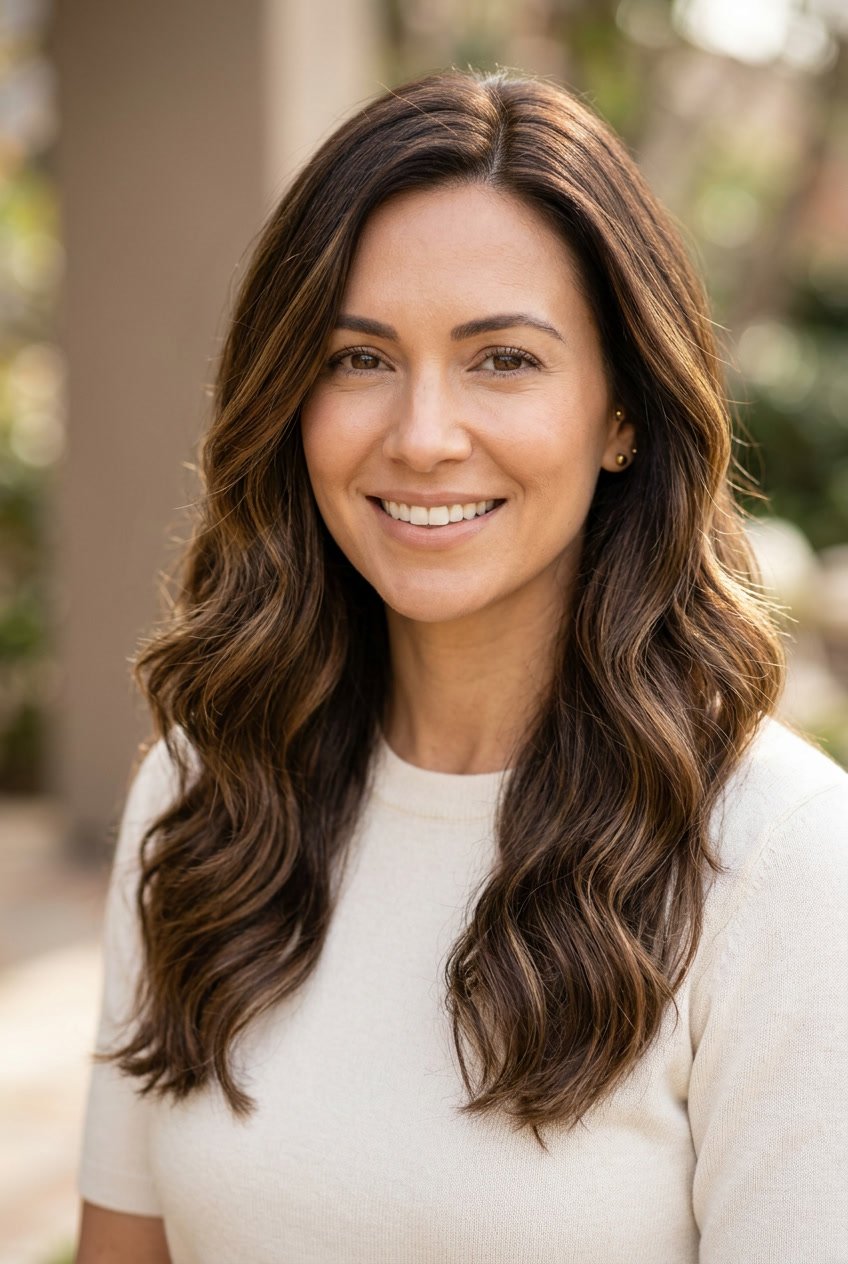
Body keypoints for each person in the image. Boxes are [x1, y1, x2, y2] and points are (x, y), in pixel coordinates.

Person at [74, 68, 848, 1264]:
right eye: (357, 359)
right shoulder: (200, 798)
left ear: (622, 413)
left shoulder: (777, 859)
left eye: (503, 360)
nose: (423, 435)